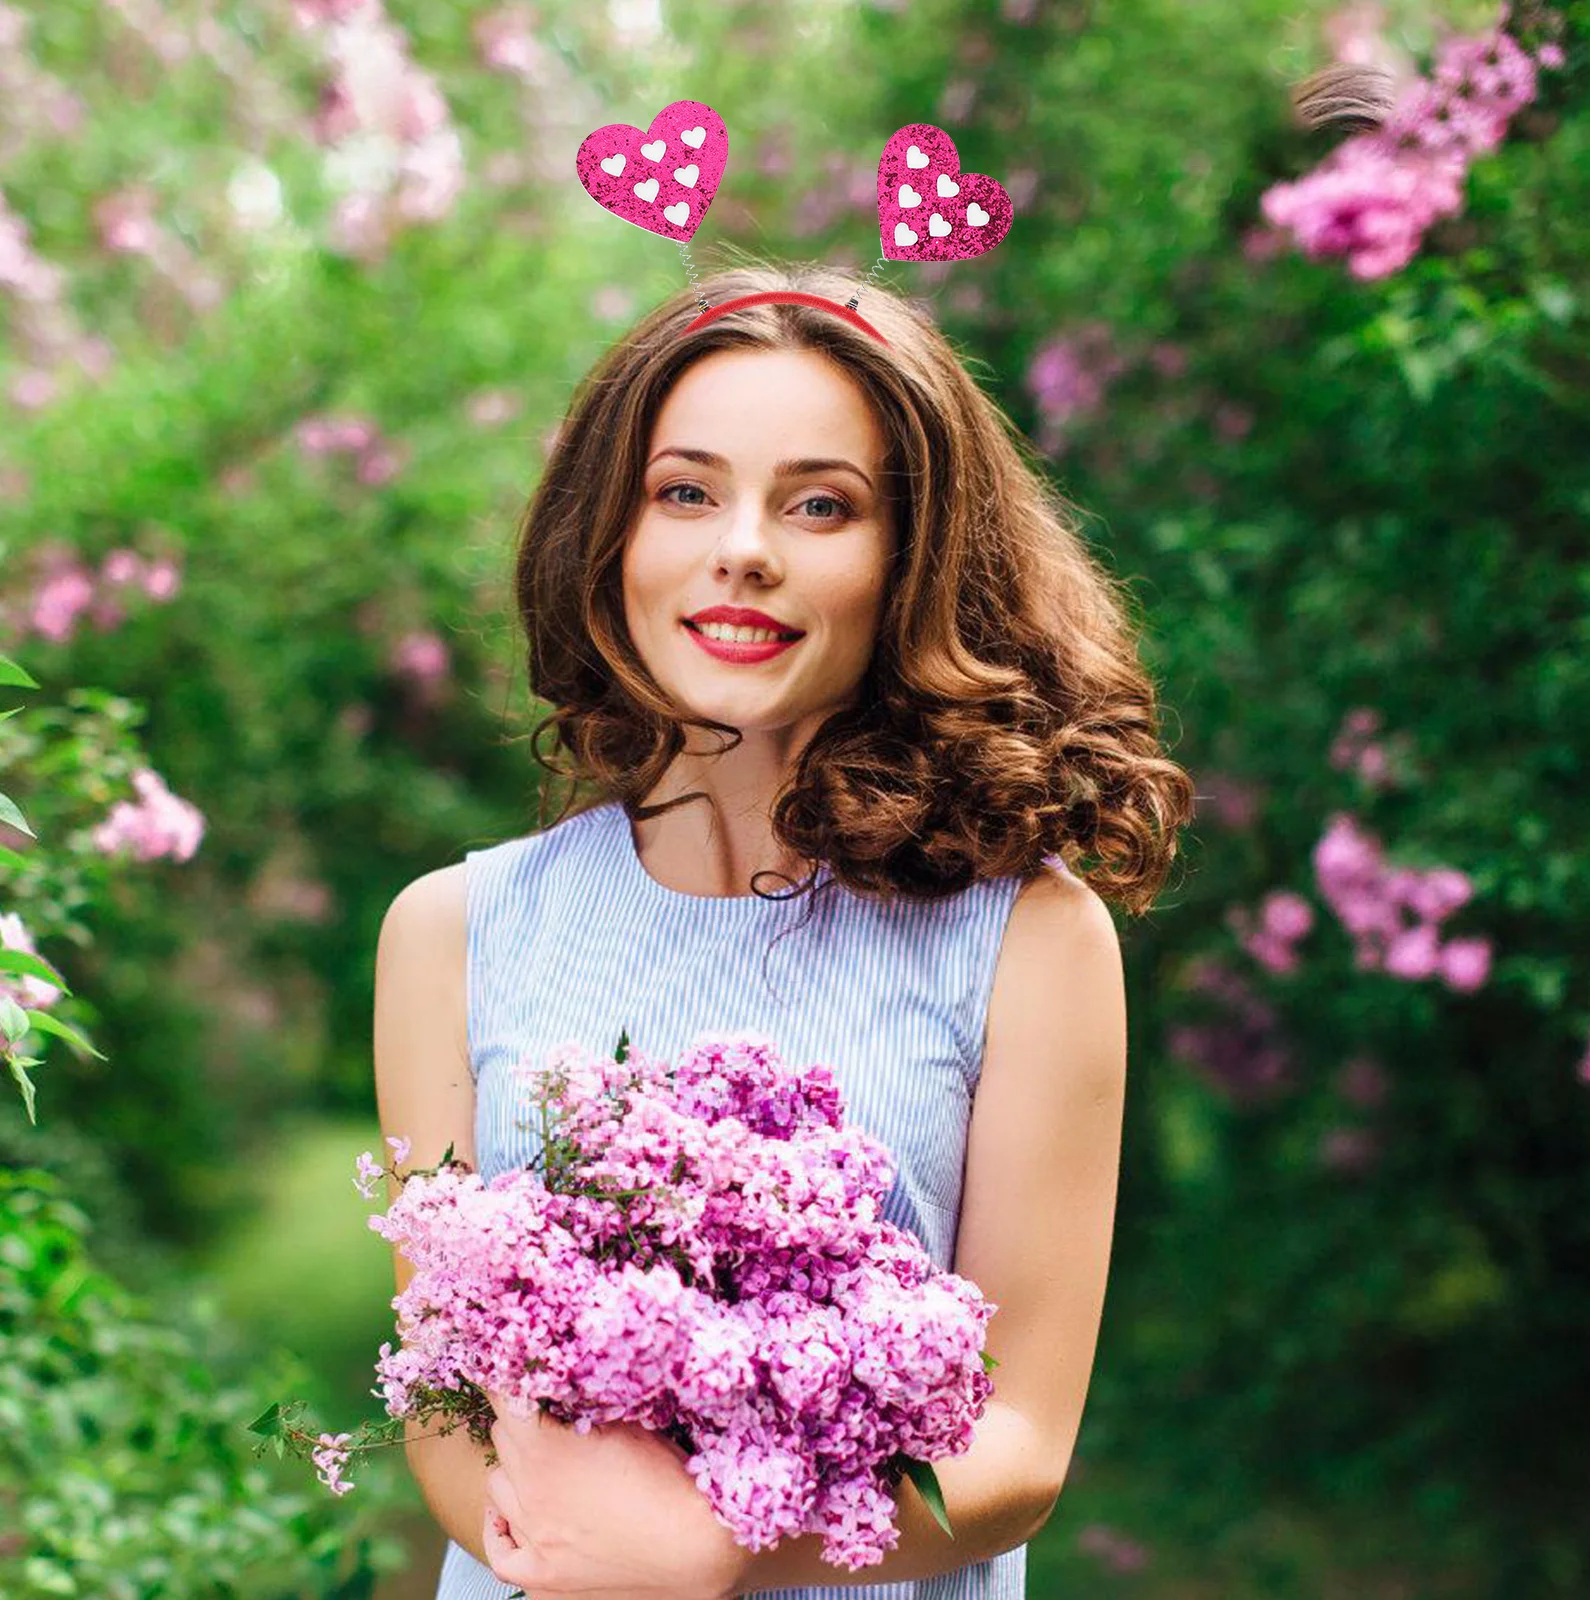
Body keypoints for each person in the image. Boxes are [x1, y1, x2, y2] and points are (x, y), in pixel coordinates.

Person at [372, 260, 1195, 1600]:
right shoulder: (452, 933)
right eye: (685, 491)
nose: (743, 548)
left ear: (911, 561)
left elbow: (1020, 1439)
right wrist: (581, 1558)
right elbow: (444, 1403)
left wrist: (718, 1551)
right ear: (610, 538)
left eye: (821, 504)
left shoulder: (1030, 939)